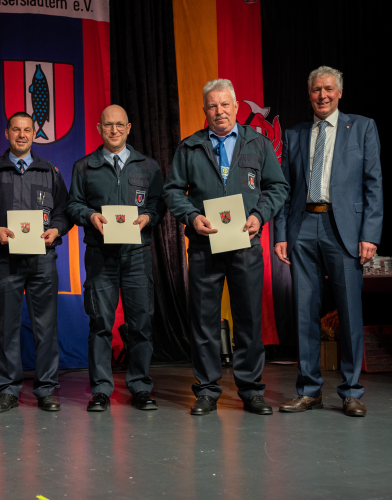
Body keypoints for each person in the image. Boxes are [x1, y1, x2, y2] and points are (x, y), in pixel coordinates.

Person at [163, 79, 288, 416]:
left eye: (224, 105)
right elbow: (172, 191)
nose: (219, 111)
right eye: (212, 106)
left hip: (245, 245)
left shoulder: (258, 144)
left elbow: (278, 187)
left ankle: (251, 390)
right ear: (205, 111)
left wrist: (259, 216)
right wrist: (191, 217)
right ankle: (206, 390)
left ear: (235, 106)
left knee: (248, 319)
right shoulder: (189, 147)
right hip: (204, 246)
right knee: (203, 321)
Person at [274, 66, 383, 417]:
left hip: (345, 229)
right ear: (309, 95)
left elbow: (373, 185)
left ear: (339, 93)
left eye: (328, 89)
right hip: (303, 225)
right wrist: (281, 234)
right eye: (316, 90)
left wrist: (370, 233)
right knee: (304, 312)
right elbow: (284, 188)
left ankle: (351, 391)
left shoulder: (362, 127)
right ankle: (309, 391)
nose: (322, 95)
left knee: (349, 311)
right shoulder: (295, 134)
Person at [66, 105, 164, 412]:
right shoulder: (84, 167)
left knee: (140, 324)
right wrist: (90, 215)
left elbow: (158, 204)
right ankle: (101, 390)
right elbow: (72, 206)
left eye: (120, 125)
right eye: (108, 125)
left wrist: (148, 218)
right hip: (100, 256)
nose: (114, 130)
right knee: (101, 325)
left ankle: (140, 387)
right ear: (99, 128)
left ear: (129, 127)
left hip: (136, 255)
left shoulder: (148, 167)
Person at [0, 112, 71, 413]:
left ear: (33, 134)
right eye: (16, 129)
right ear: (7, 133)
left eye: (27, 130)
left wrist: (56, 229)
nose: (22, 135)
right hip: (5, 261)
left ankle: (46, 389)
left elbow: (64, 213)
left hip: (42, 260)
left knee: (45, 328)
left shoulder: (49, 171)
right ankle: (8, 389)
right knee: (7, 327)